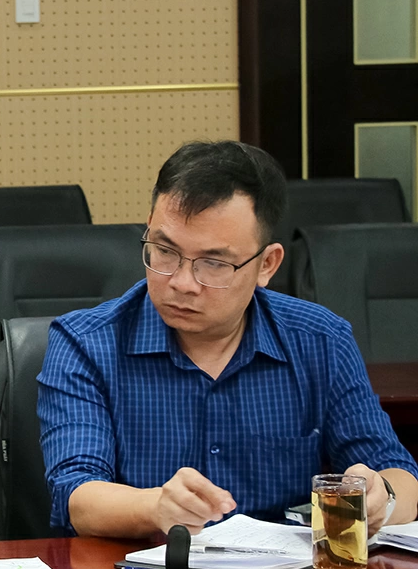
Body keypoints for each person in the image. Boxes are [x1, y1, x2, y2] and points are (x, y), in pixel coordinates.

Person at [38, 140, 418, 539]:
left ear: (267, 264)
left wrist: (383, 497)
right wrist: (155, 507)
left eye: (214, 263)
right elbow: (76, 494)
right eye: (164, 251)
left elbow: (399, 475)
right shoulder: (86, 343)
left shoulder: (321, 341)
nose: (182, 283)